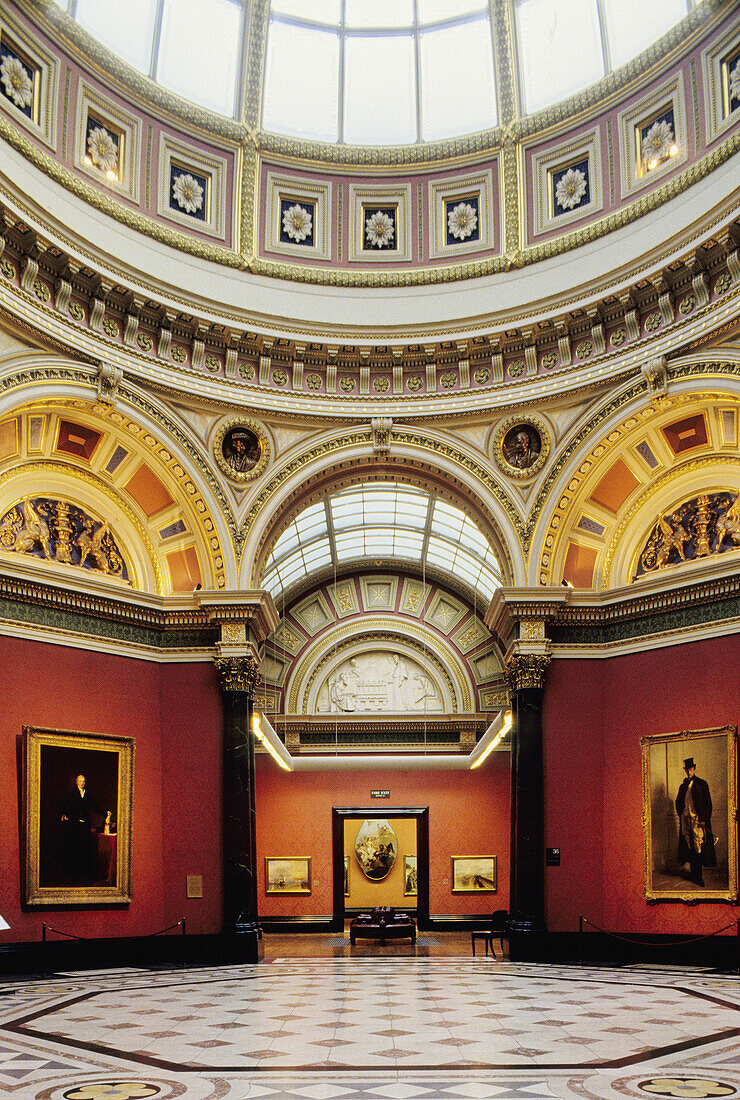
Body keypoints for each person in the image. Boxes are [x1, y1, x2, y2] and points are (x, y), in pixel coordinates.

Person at [60, 774, 110, 885]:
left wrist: (105, 813)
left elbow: (95, 806)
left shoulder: (87, 794)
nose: (82, 783)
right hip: (74, 826)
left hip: (85, 826)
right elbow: (65, 805)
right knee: (75, 850)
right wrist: (64, 814)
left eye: (84, 781)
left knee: (85, 850)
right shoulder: (72, 794)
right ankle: (74, 876)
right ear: (77, 782)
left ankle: (84, 875)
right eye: (80, 781)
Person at [675, 757, 716, 886]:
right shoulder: (683, 786)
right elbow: (678, 802)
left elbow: (708, 803)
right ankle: (693, 873)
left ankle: (698, 876)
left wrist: (704, 819)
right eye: (687, 770)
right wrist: (681, 813)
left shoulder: (701, 784)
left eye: (691, 770)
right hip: (686, 820)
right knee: (689, 845)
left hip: (697, 820)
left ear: (694, 769)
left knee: (698, 845)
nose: (689, 772)